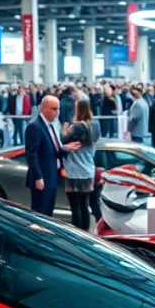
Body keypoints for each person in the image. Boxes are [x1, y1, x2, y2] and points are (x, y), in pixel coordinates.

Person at [25, 96, 80, 217]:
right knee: (40, 213)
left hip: (52, 175)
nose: (57, 112)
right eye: (54, 109)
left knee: (48, 212)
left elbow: (53, 148)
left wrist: (65, 148)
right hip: (42, 178)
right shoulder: (34, 126)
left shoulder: (53, 124)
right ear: (44, 109)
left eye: (58, 109)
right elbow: (31, 155)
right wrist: (38, 177)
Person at [62, 99, 100, 231]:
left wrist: (65, 129)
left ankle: (77, 234)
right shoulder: (95, 125)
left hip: (74, 171)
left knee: (75, 207)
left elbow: (63, 141)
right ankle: (86, 233)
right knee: (85, 205)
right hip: (88, 169)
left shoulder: (77, 127)